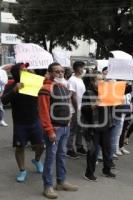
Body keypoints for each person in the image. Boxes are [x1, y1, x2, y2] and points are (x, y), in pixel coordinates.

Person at [38, 63, 78, 199]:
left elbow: (66, 105)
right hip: (55, 128)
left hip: (65, 127)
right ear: (50, 73)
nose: (60, 74)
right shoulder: (45, 88)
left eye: (62, 71)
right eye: (57, 72)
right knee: (51, 157)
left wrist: (69, 120)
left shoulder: (63, 86)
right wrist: (50, 131)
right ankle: (47, 186)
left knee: (61, 155)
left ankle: (61, 182)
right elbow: (43, 112)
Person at [1, 63, 44, 182]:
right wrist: (14, 90)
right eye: (22, 69)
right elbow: (3, 101)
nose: (25, 70)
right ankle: (22, 170)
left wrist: (35, 76)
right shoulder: (12, 85)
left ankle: (36, 160)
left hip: (35, 120)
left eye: (26, 68)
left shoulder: (33, 82)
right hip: (20, 123)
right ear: (16, 73)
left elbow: (45, 91)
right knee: (20, 147)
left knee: (41, 145)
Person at [81, 75, 115, 181]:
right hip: (93, 127)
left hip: (106, 126)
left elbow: (123, 92)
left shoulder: (106, 92)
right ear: (92, 82)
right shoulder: (88, 93)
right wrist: (93, 105)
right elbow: (83, 109)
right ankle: (89, 173)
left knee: (107, 149)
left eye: (103, 79)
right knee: (93, 152)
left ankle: (106, 170)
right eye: (99, 79)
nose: (102, 81)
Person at [67, 61, 87, 159]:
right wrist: (77, 109)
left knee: (80, 129)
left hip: (81, 108)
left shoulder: (80, 79)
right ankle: (69, 149)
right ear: (77, 68)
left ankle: (79, 146)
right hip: (75, 109)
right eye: (82, 67)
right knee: (73, 129)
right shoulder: (72, 80)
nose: (83, 69)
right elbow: (72, 96)